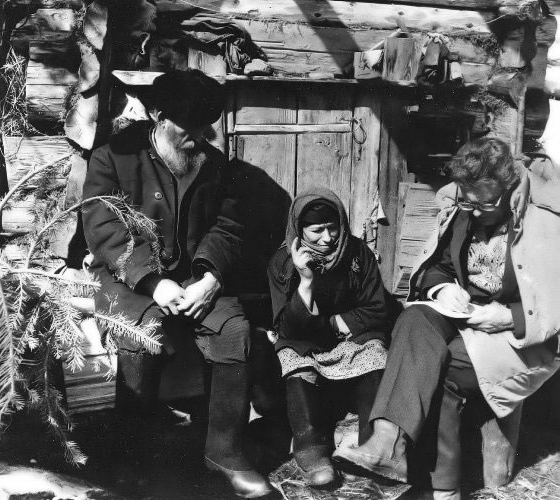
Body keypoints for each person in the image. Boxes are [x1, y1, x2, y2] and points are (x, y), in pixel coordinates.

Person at [83, 69, 275, 498]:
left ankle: (224, 452)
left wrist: (211, 277)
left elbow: (228, 227)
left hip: (194, 276)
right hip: (127, 276)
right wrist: (152, 282)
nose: (200, 136)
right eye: (190, 127)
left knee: (234, 330)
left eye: (206, 126)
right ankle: (132, 456)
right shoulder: (112, 158)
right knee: (141, 333)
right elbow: (104, 227)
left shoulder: (215, 164)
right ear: (158, 116)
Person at [333, 137, 560, 500]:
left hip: (522, 338)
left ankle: (443, 490)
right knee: (413, 319)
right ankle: (387, 441)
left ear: (509, 188)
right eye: (468, 202)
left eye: (484, 204)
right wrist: (441, 289)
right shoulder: (465, 211)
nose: (475, 212)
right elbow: (438, 266)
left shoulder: (546, 223)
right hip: (469, 320)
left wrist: (507, 315)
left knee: (444, 368)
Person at [267, 187, 389, 488]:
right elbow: (288, 327)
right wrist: (306, 281)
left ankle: (372, 447)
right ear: (299, 229)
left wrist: (331, 324)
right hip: (305, 343)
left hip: (350, 339)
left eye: (332, 227)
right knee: (292, 359)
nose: (327, 238)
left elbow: (376, 309)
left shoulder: (358, 253)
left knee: (375, 354)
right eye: (316, 230)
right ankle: (311, 447)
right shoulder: (282, 263)